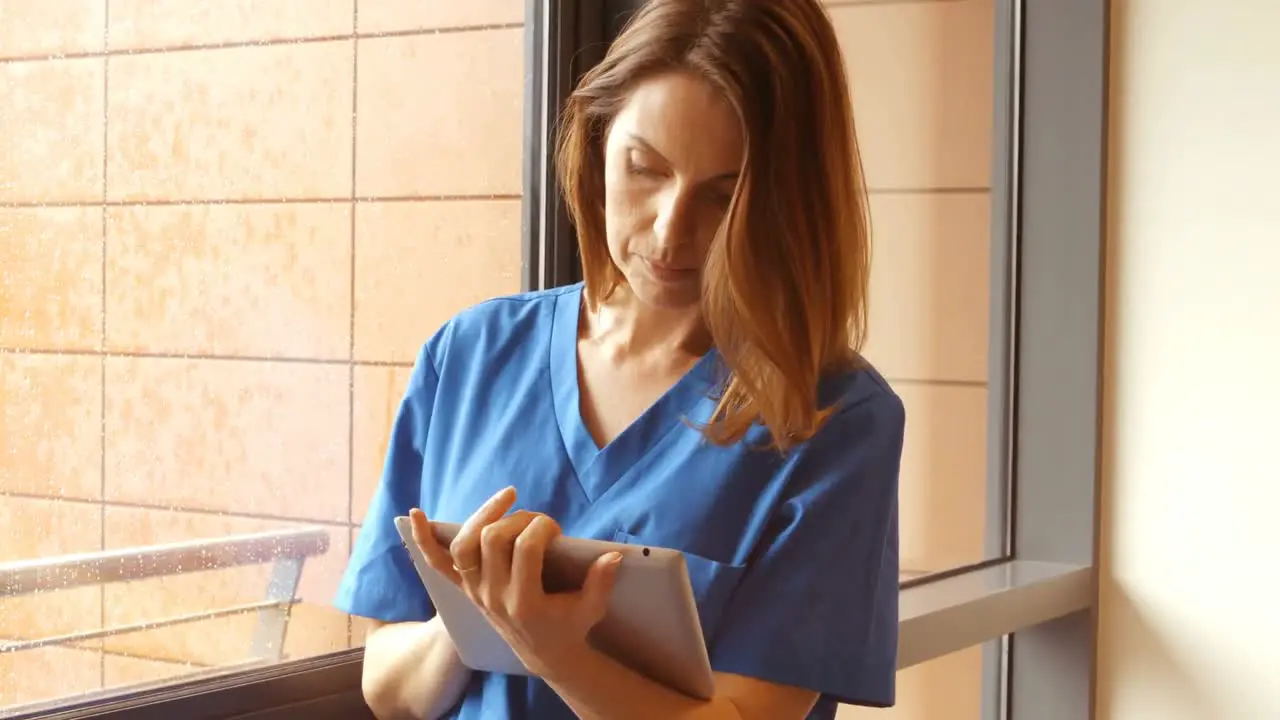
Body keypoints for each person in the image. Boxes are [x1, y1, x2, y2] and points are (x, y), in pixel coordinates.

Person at [334, 0, 906, 717]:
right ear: (598, 142)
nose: (670, 233)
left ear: (787, 203)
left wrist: (555, 649)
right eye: (644, 169)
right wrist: (477, 613)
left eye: (723, 198)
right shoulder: (469, 355)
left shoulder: (835, 419)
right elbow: (388, 688)